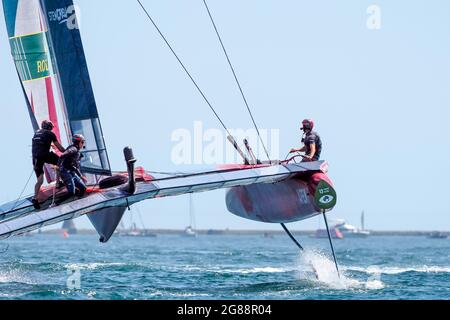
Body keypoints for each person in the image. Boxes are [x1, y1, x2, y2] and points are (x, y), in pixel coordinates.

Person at [31, 120, 66, 209]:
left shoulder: (37, 133)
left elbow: (40, 142)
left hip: (35, 157)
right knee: (60, 163)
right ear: (50, 127)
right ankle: (58, 183)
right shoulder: (50, 134)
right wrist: (68, 152)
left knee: (40, 180)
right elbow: (60, 149)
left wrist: (49, 145)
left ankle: (35, 199)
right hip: (45, 155)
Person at [58, 134, 88, 200]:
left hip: (71, 172)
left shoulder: (77, 151)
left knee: (83, 188)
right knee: (72, 192)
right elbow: (62, 155)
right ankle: (56, 204)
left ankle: (78, 200)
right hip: (65, 171)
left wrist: (81, 176)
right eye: (82, 142)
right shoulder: (73, 149)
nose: (83, 144)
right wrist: (58, 166)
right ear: (78, 142)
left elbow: (75, 166)